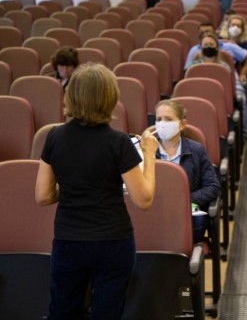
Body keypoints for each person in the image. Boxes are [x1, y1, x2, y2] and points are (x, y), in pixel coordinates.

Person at [35, 63, 159, 319]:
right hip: (113, 241)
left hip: (69, 239)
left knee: (62, 311)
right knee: (107, 312)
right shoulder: (119, 143)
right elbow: (144, 199)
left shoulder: (54, 137)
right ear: (110, 98)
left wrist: (74, 189)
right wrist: (148, 154)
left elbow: (43, 196)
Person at [152, 99, 220, 242]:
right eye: (159, 119)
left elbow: (212, 187)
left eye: (168, 119)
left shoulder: (197, 150)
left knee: (198, 221)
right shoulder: (147, 152)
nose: (162, 123)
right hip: (156, 210)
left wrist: (184, 200)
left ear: (182, 124)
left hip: (189, 207)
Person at [190, 32, 247, 140]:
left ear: (217, 47)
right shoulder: (194, 66)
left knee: (242, 97)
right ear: (201, 47)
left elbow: (228, 87)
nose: (208, 47)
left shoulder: (224, 66)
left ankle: (244, 133)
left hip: (221, 98)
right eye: (205, 45)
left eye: (211, 45)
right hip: (201, 96)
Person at [183, 21, 247, 85]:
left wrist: (242, 74)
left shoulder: (229, 47)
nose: (205, 34)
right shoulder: (194, 50)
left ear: (214, 33)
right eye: (202, 32)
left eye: (208, 32)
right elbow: (188, 72)